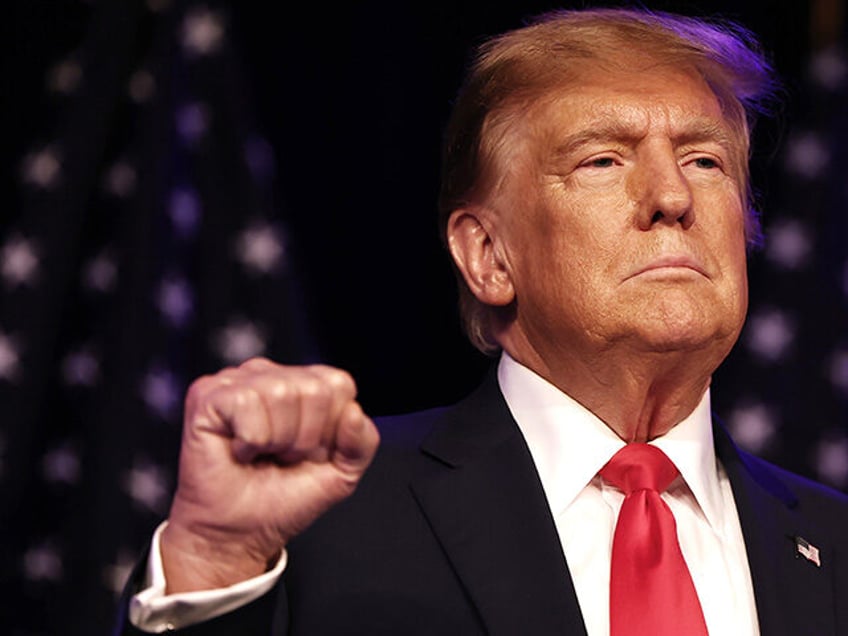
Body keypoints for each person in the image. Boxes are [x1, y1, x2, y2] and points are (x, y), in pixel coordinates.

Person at [118, 7, 848, 635]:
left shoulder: (833, 544)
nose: (670, 196)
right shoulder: (321, 521)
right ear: (488, 255)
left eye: (705, 161)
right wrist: (212, 565)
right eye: (600, 160)